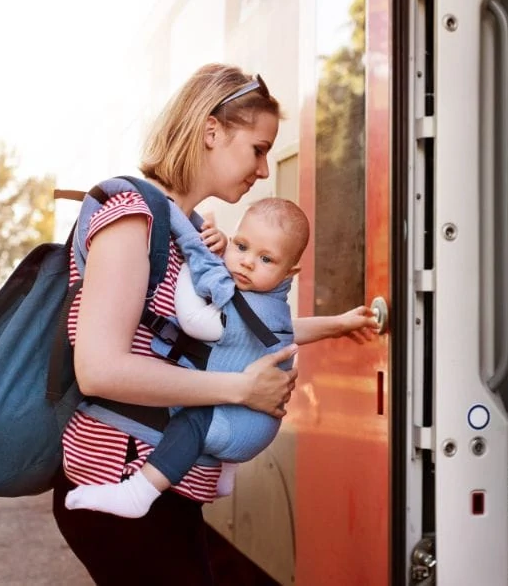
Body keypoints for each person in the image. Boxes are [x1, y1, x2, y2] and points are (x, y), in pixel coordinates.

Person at [52, 64, 377, 584]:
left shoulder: (190, 229)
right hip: (121, 475)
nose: (266, 169)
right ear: (211, 131)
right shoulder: (133, 216)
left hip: (161, 485)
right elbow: (99, 369)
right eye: (258, 148)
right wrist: (241, 389)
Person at [64, 197, 314, 518]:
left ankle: (139, 492)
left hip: (241, 428)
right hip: (256, 424)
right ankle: (225, 476)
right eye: (241, 246)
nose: (247, 262)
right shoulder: (275, 305)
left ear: (289, 272)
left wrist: (188, 264)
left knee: (191, 424)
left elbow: (194, 321)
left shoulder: (249, 308)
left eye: (266, 259)